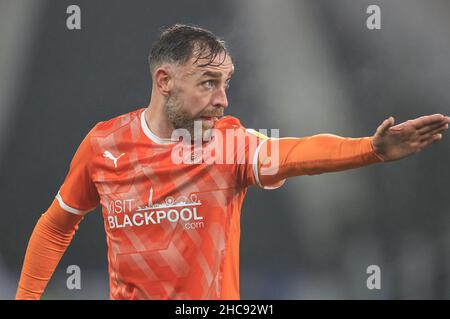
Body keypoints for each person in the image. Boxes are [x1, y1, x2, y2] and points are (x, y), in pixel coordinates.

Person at [16, 24, 450, 300]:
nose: (222, 99)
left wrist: (370, 149)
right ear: (164, 81)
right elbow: (56, 224)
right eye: (208, 83)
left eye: (226, 84)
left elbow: (297, 154)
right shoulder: (103, 145)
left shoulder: (227, 146)